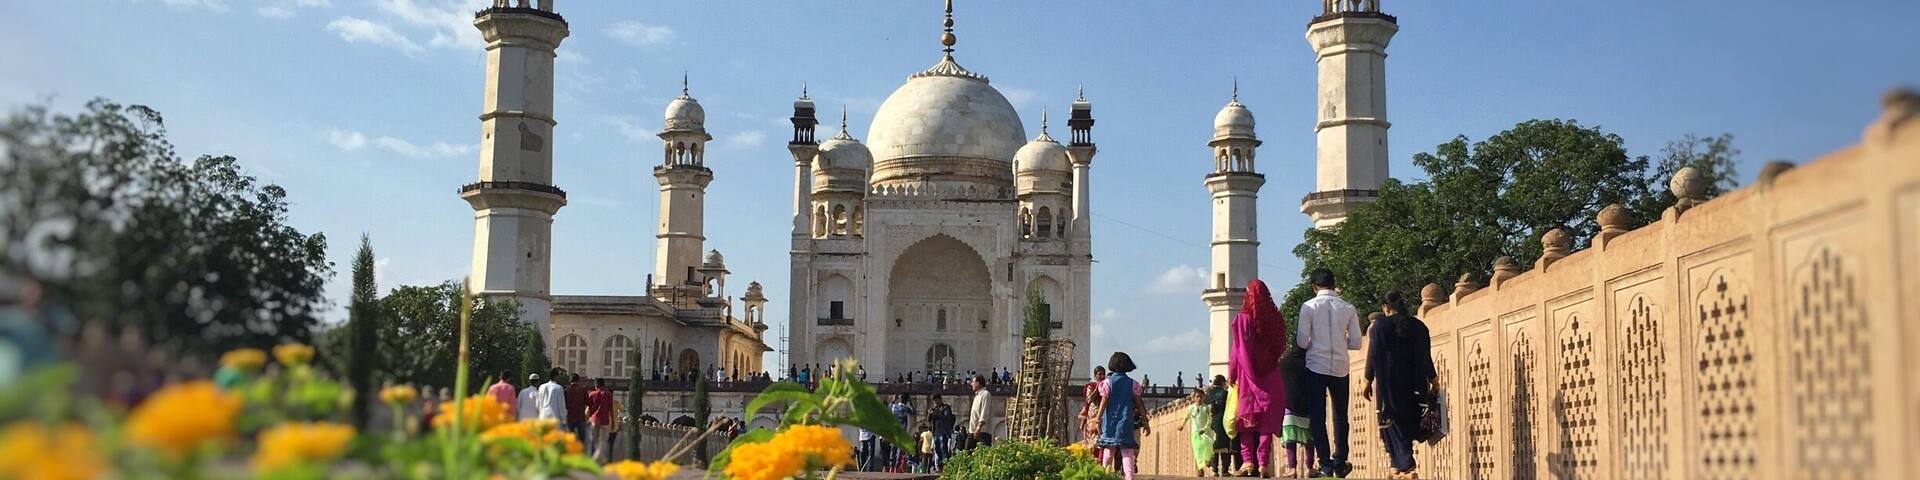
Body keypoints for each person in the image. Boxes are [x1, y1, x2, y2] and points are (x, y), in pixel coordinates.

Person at [1297, 268, 1363, 478]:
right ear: (1334, 284)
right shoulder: (1348, 308)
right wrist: (1337, 342)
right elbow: (1356, 342)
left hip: (1316, 364)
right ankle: (1340, 461)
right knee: (1340, 416)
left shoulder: (1308, 307)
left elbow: (1301, 341)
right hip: (1341, 366)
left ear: (1314, 286)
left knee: (1318, 416)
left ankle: (1324, 463)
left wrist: (1318, 343)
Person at [1364, 291, 1437, 480]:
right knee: (1406, 423)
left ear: (1385, 307)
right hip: (1415, 385)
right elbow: (1424, 356)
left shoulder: (1379, 326)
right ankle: (1397, 466)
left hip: (1389, 386)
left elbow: (1373, 354)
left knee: (1392, 424)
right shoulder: (1419, 326)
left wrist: (1367, 379)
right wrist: (1433, 379)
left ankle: (1408, 466)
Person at [1229, 279, 1290, 477]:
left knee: (1246, 422)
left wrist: (1233, 372)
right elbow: (1280, 345)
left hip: (1248, 377)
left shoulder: (1243, 319)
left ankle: (1248, 462)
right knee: (1266, 422)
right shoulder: (1275, 319)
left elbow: (1238, 351)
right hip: (1271, 375)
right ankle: (1263, 463)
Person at [1095, 352, 1146, 480]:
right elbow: (1139, 405)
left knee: (1109, 450)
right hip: (1126, 422)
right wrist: (1146, 422)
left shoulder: (1107, 383)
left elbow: (1104, 401)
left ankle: (1105, 476)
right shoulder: (1133, 384)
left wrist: (1097, 418)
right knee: (1127, 451)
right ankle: (1129, 477)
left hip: (1110, 422)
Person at [1280, 340, 1317, 477]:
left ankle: (1292, 468)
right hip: (1308, 406)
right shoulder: (1310, 363)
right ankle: (1310, 468)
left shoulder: (1283, 364)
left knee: (1290, 439)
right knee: (1309, 440)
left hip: (1289, 406)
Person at [1177, 387, 1215, 477]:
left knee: (1207, 447)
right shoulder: (1191, 408)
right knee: (1197, 451)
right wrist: (1182, 425)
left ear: (1204, 397)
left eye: (1201, 397)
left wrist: (1205, 429)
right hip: (1195, 433)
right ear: (1194, 398)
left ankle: (1207, 461)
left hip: (1205, 432)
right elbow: (1186, 417)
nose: (1199, 399)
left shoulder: (1206, 408)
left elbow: (1209, 420)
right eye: (1197, 397)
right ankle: (1200, 468)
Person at [1206, 375, 1237, 476]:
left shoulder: (1209, 394)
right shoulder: (1225, 393)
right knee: (1225, 446)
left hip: (1212, 422)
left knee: (1213, 446)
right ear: (1223, 383)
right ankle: (1224, 469)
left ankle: (1214, 469)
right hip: (1223, 421)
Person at [586, 378, 615, 462]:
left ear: (596, 386)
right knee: (603, 441)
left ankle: (597, 458)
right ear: (604, 385)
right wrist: (613, 420)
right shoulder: (608, 394)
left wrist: (587, 419)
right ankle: (597, 457)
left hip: (594, 420)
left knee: (595, 441)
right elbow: (611, 409)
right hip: (604, 421)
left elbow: (588, 409)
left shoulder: (591, 394)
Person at [1079, 366, 1108, 448]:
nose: (1101, 376)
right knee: (1092, 441)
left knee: (1101, 440)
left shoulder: (1106, 385)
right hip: (1093, 415)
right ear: (1095, 376)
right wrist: (1097, 387)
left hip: (1103, 414)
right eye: (1099, 374)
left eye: (1103, 374)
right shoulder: (1091, 386)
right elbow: (1089, 399)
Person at [927, 394, 956, 470]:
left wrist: (937, 414)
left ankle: (945, 465)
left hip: (944, 431)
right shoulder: (935, 409)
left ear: (940, 399)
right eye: (935, 401)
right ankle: (939, 466)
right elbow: (929, 420)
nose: (936, 402)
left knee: (943, 448)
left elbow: (946, 418)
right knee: (937, 449)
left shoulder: (946, 408)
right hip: (936, 432)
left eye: (936, 400)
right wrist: (930, 414)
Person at [967, 374, 993, 449]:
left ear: (978, 383)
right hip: (972, 430)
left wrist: (979, 427)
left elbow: (985, 412)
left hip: (982, 431)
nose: (972, 384)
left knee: (982, 454)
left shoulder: (985, 394)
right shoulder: (977, 396)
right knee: (967, 452)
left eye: (973, 382)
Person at [565, 373, 589, 444]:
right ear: (578, 380)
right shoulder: (583, 390)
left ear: (570, 380)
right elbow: (587, 402)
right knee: (582, 440)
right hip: (580, 417)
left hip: (570, 417)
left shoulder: (566, 391)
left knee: (570, 440)